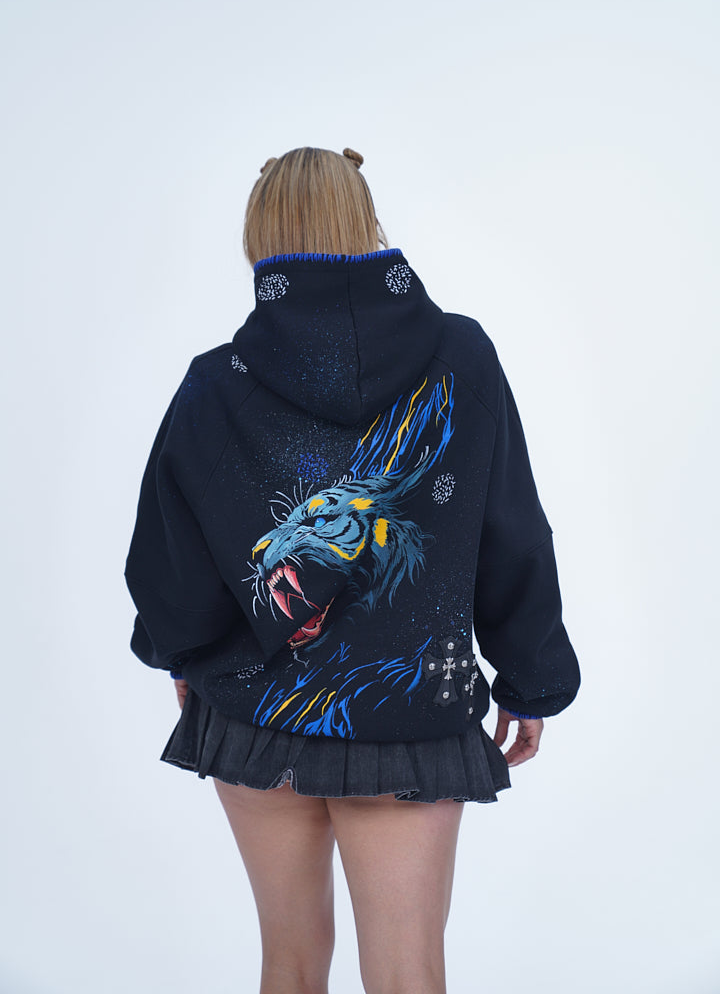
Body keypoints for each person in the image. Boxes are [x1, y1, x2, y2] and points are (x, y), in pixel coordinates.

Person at [124, 145, 580, 994]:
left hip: (254, 716)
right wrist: (532, 681)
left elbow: (167, 560)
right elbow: (513, 530)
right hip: (411, 724)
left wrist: (181, 654)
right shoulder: (462, 358)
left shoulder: (212, 385)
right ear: (367, 223)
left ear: (259, 239)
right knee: (408, 976)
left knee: (289, 966)